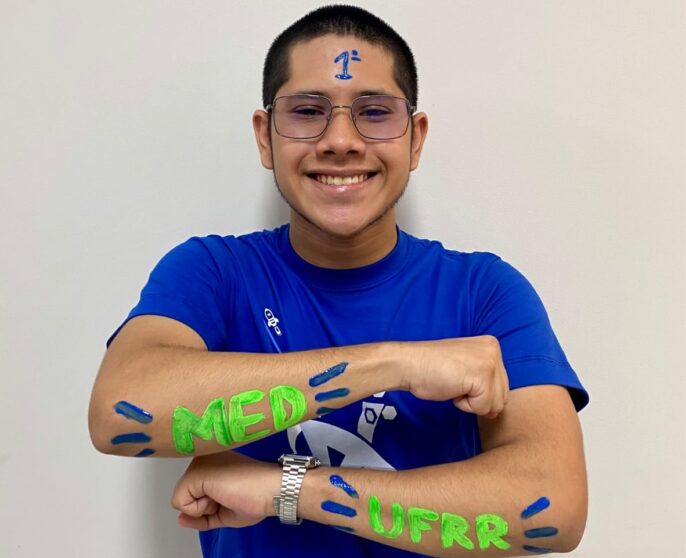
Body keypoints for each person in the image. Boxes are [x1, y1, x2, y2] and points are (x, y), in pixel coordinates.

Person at [89, 5, 589, 557]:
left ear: (415, 139)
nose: (341, 140)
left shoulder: (484, 290)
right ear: (265, 136)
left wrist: (291, 490)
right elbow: (120, 413)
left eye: (375, 112)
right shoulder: (213, 273)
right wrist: (394, 363)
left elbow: (552, 510)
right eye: (308, 111)